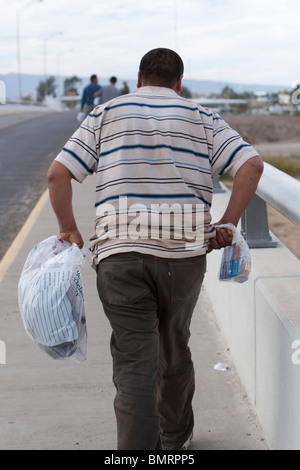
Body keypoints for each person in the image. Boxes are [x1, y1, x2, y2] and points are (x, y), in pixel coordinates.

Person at [47, 48, 264, 451]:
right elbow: (250, 164)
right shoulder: (202, 116)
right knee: (173, 345)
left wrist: (69, 229)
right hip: (183, 256)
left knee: (133, 362)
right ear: (179, 82)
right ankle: (176, 438)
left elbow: (58, 174)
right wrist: (228, 224)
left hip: (119, 253)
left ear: (138, 79)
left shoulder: (106, 114)